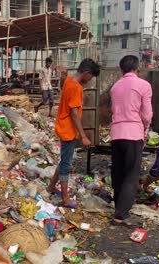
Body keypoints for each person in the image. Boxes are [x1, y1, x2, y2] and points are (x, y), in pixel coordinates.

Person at [46, 58, 101, 208]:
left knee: (64, 160)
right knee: (66, 164)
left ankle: (51, 187)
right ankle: (65, 199)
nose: (90, 81)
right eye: (91, 77)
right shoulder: (76, 87)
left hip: (63, 127)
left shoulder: (69, 81)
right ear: (86, 73)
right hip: (68, 130)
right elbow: (74, 113)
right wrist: (83, 136)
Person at [110, 55, 153, 226]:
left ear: (121, 70)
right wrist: (146, 127)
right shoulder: (144, 85)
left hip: (116, 134)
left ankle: (118, 208)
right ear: (138, 68)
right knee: (131, 175)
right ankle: (122, 214)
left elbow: (114, 109)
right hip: (133, 133)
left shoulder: (115, 87)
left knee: (118, 172)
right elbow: (147, 114)